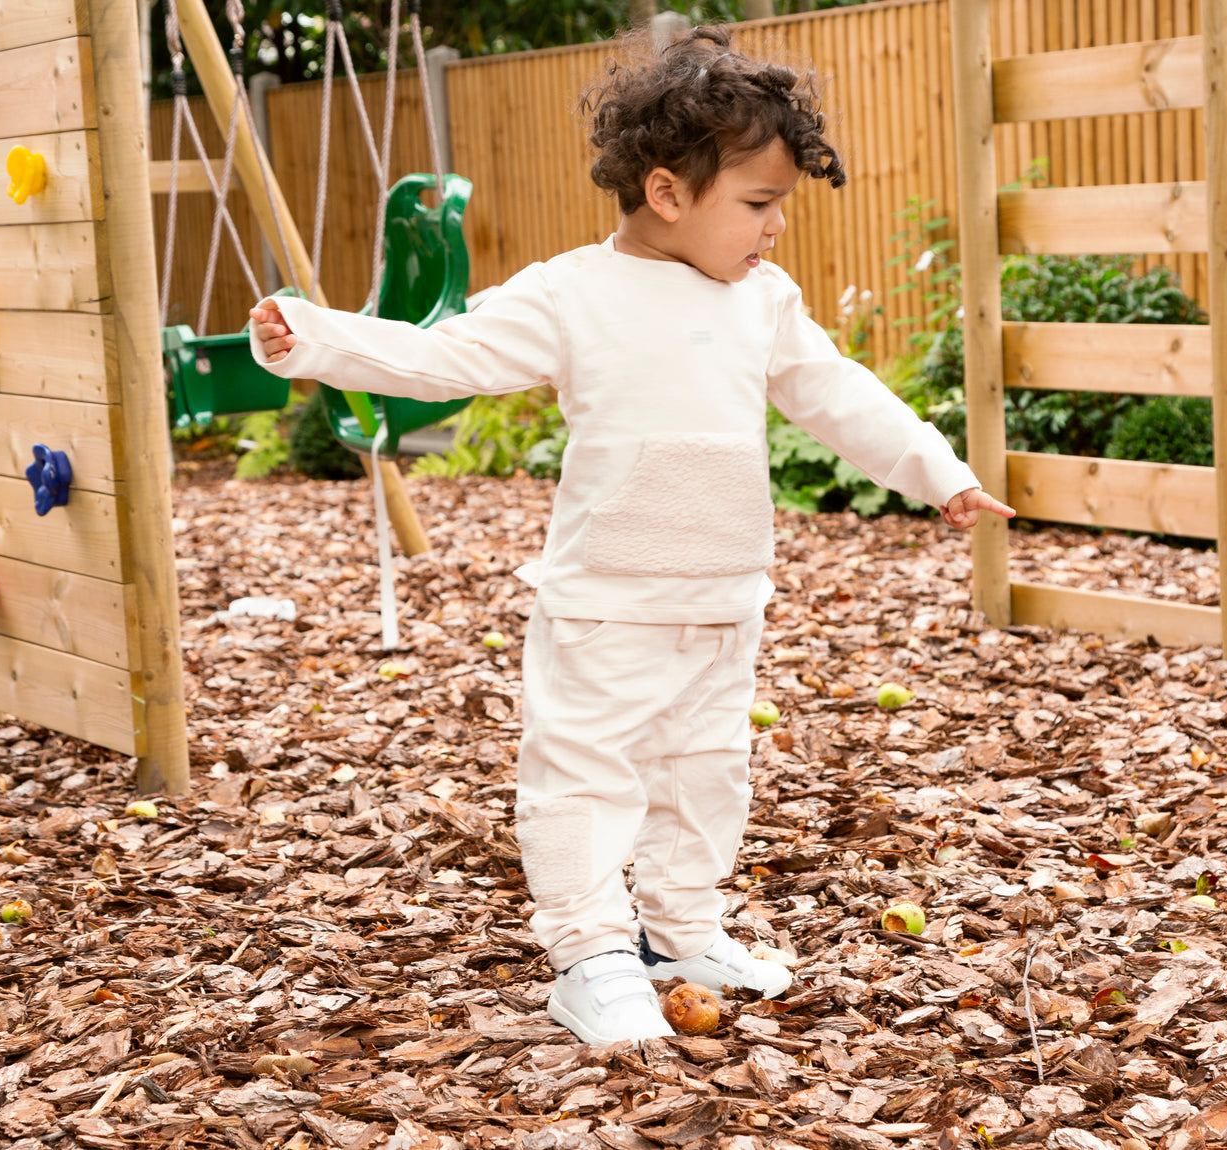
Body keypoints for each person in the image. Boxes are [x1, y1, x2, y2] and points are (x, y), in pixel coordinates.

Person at [249, 24, 1015, 1047]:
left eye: (776, 205)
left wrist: (937, 470)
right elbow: (449, 357)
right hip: (607, 600)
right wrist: (318, 338)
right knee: (584, 774)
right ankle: (590, 954)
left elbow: (835, 395)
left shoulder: (764, 301)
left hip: (720, 596)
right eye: (755, 204)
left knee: (706, 775)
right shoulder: (572, 294)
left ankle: (681, 931)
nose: (772, 228)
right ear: (665, 193)